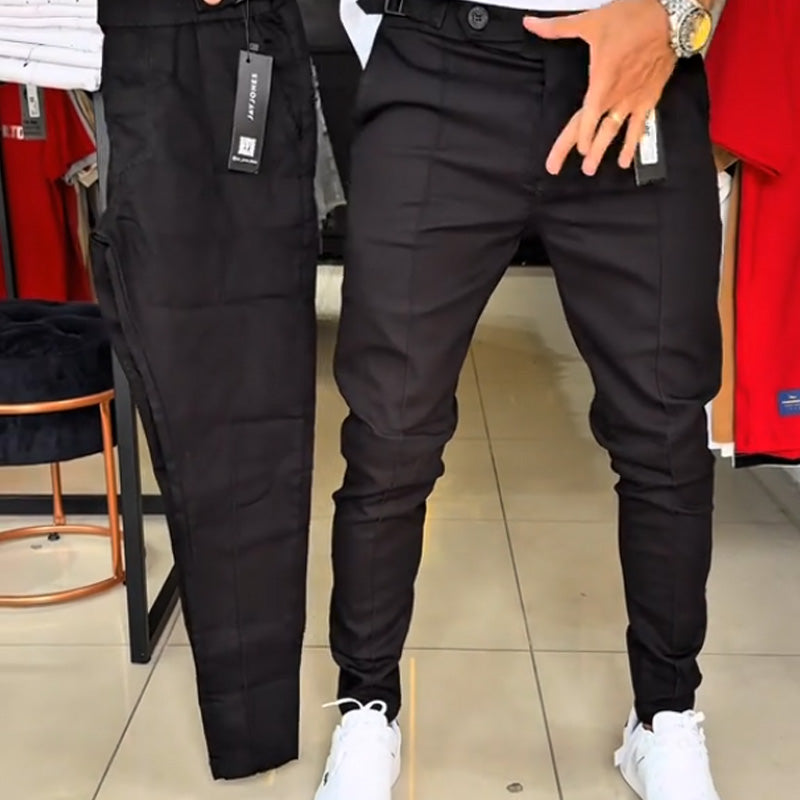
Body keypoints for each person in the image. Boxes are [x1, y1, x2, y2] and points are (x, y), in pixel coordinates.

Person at [316, 0, 724, 799]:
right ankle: (366, 707)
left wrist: (678, 16)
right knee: (391, 429)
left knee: (665, 426)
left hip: (635, 65)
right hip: (440, 66)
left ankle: (665, 715)